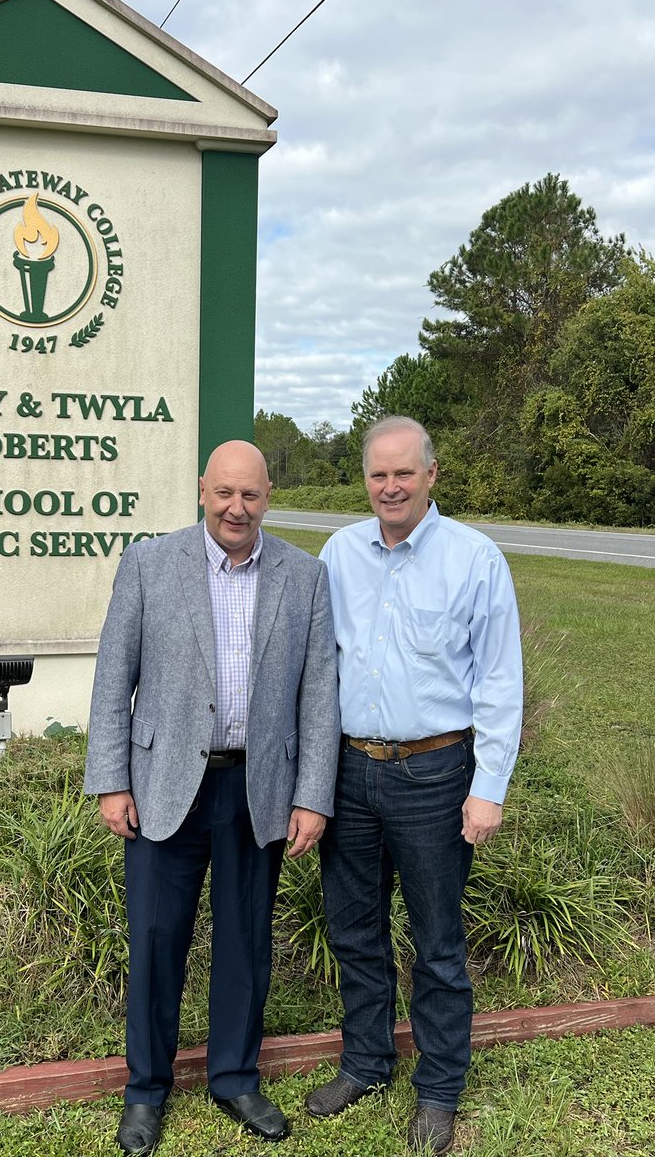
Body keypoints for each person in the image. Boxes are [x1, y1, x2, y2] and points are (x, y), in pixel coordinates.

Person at [85, 439, 340, 1155]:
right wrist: (111, 780)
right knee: (156, 941)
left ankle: (234, 1077)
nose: (237, 507)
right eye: (225, 492)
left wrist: (313, 795)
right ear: (203, 490)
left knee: (245, 941)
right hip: (163, 785)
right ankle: (146, 1090)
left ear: (268, 497)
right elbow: (113, 678)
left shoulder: (304, 576)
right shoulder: (149, 564)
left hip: (257, 789)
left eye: (250, 495)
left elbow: (319, 695)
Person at [308, 416, 523, 1155]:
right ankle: (366, 1063)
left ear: (431, 475)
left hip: (435, 774)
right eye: (379, 474)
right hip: (349, 770)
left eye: (404, 473)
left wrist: (488, 786)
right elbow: (318, 667)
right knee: (354, 929)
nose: (391, 486)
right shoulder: (339, 555)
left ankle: (439, 1087)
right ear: (365, 479)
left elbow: (500, 681)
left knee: (436, 941)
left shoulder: (474, 559)